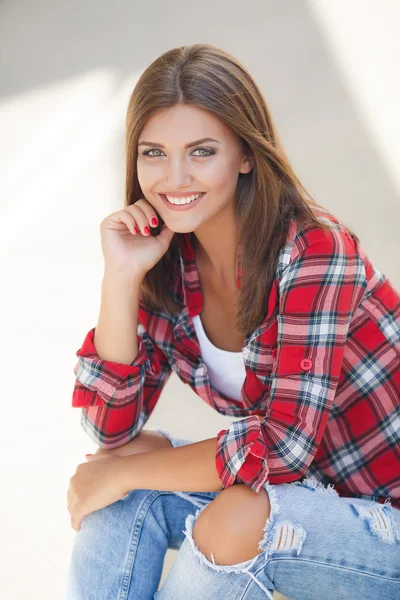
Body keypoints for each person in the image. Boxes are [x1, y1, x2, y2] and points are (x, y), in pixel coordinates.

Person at [65, 43, 400, 600]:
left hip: (383, 522)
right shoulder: (168, 263)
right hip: (311, 497)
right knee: (124, 484)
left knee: (234, 519)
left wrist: (122, 471)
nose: (174, 178)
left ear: (245, 154)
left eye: (201, 152)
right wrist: (120, 278)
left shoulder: (315, 249)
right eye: (154, 153)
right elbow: (110, 431)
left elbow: (283, 445)